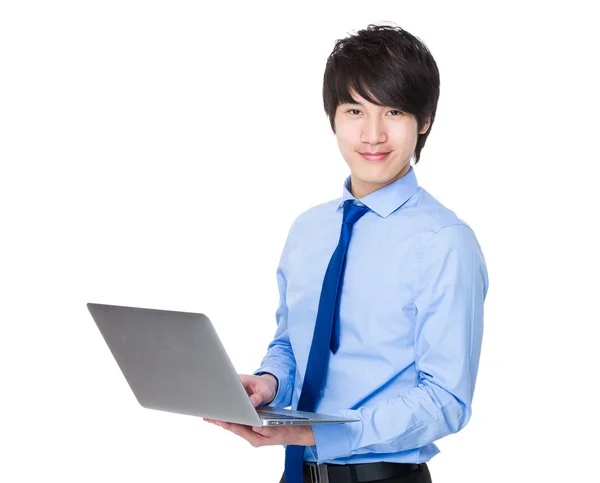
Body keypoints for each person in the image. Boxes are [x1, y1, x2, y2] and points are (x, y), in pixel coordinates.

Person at [204, 23, 489, 483]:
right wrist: (268, 384)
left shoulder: (444, 242)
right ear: (333, 118)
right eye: (355, 110)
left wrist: (316, 435)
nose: (372, 134)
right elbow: (291, 344)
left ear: (425, 120)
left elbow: (446, 401)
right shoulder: (308, 229)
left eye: (393, 111)